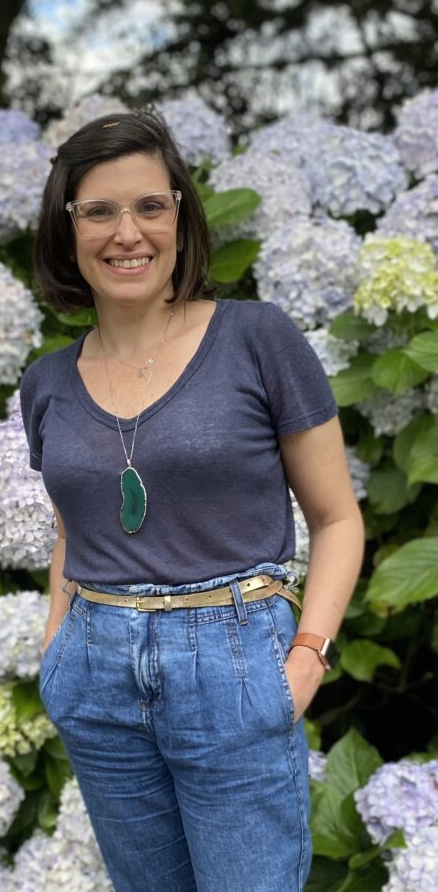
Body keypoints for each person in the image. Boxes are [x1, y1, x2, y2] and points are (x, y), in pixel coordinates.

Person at [19, 109, 364, 892]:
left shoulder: (256, 338)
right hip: (95, 667)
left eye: (149, 205)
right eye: (98, 210)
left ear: (180, 214)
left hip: (234, 662)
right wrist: (55, 647)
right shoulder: (43, 384)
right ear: (66, 229)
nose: (126, 232)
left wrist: (305, 657)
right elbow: (72, 531)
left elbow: (337, 518)